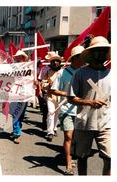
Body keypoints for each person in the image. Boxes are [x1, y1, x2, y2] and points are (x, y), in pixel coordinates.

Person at [68, 36, 111, 175]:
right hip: (84, 122)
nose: (101, 53)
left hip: (107, 123)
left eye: (104, 50)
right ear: (92, 53)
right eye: (98, 50)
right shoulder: (80, 73)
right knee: (82, 157)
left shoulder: (112, 74)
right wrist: (89, 102)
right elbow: (71, 98)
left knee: (110, 157)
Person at [50, 45, 85, 175]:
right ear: (75, 58)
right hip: (66, 110)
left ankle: (71, 157)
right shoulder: (62, 73)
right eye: (82, 57)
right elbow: (53, 90)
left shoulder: (85, 72)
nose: (84, 60)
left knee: (76, 138)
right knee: (68, 136)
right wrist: (68, 94)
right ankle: (68, 164)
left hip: (81, 110)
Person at [41, 51, 63, 142]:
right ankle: (49, 132)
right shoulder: (47, 71)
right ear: (51, 62)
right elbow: (43, 84)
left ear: (59, 62)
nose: (55, 62)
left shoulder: (63, 71)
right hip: (50, 96)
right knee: (50, 112)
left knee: (57, 114)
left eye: (57, 61)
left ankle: (54, 129)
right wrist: (48, 85)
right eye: (53, 61)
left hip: (60, 96)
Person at [9, 50, 29, 144]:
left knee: (20, 115)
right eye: (18, 57)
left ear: (24, 58)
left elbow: (32, 79)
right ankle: (17, 133)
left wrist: (36, 82)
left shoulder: (29, 68)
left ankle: (16, 130)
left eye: (21, 57)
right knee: (15, 114)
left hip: (25, 94)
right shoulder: (11, 68)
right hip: (14, 94)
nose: (19, 58)